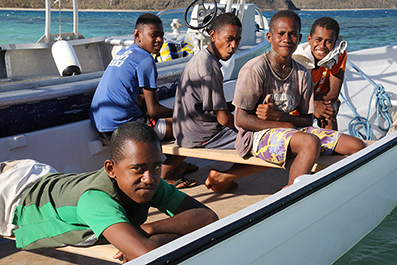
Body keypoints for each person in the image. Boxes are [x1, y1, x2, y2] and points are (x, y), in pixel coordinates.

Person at [0, 121, 218, 263]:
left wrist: (148, 228)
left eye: (156, 166)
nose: (149, 178)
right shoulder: (96, 201)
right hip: (13, 197)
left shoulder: (149, 182)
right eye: (138, 168)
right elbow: (145, 253)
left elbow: (208, 217)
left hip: (43, 178)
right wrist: (140, 239)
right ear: (111, 169)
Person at [232, 10, 365, 187]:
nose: (286, 39)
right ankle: (291, 195)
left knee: (356, 145)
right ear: (269, 37)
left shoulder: (302, 73)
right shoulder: (255, 69)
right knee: (310, 142)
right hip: (256, 135)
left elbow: (307, 119)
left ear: (300, 37)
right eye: (280, 34)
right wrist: (280, 124)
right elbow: (241, 119)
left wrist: (281, 118)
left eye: (292, 34)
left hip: (290, 129)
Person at [89, 13, 197, 188]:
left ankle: (180, 165)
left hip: (100, 124)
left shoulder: (125, 53)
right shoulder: (146, 61)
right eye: (153, 35)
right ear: (137, 35)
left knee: (171, 122)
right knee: (192, 128)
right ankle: (165, 172)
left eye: (162, 35)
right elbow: (154, 110)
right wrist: (183, 113)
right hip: (122, 128)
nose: (159, 40)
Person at [172, 13, 268, 192]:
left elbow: (216, 107)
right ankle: (223, 177)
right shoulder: (210, 68)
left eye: (237, 40)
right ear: (213, 35)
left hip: (187, 130)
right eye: (229, 39)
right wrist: (255, 125)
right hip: (202, 136)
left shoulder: (202, 57)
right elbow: (223, 119)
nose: (233, 46)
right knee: (268, 140)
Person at [292, 17, 347, 130]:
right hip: (297, 104)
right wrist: (312, 105)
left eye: (329, 41)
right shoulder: (295, 58)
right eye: (318, 40)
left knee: (328, 113)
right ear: (309, 39)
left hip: (323, 99)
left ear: (336, 42)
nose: (322, 46)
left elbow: (333, 93)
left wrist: (317, 105)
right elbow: (290, 95)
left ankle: (331, 145)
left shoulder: (338, 55)